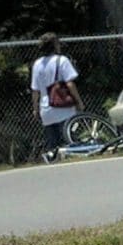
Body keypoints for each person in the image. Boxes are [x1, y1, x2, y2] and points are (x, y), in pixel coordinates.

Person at [30, 32, 85, 160]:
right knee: (70, 141)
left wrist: (35, 108)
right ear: (55, 45)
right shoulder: (62, 60)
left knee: (52, 145)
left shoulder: (37, 64)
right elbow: (70, 84)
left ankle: (52, 162)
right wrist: (78, 101)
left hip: (46, 109)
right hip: (63, 108)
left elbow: (35, 90)